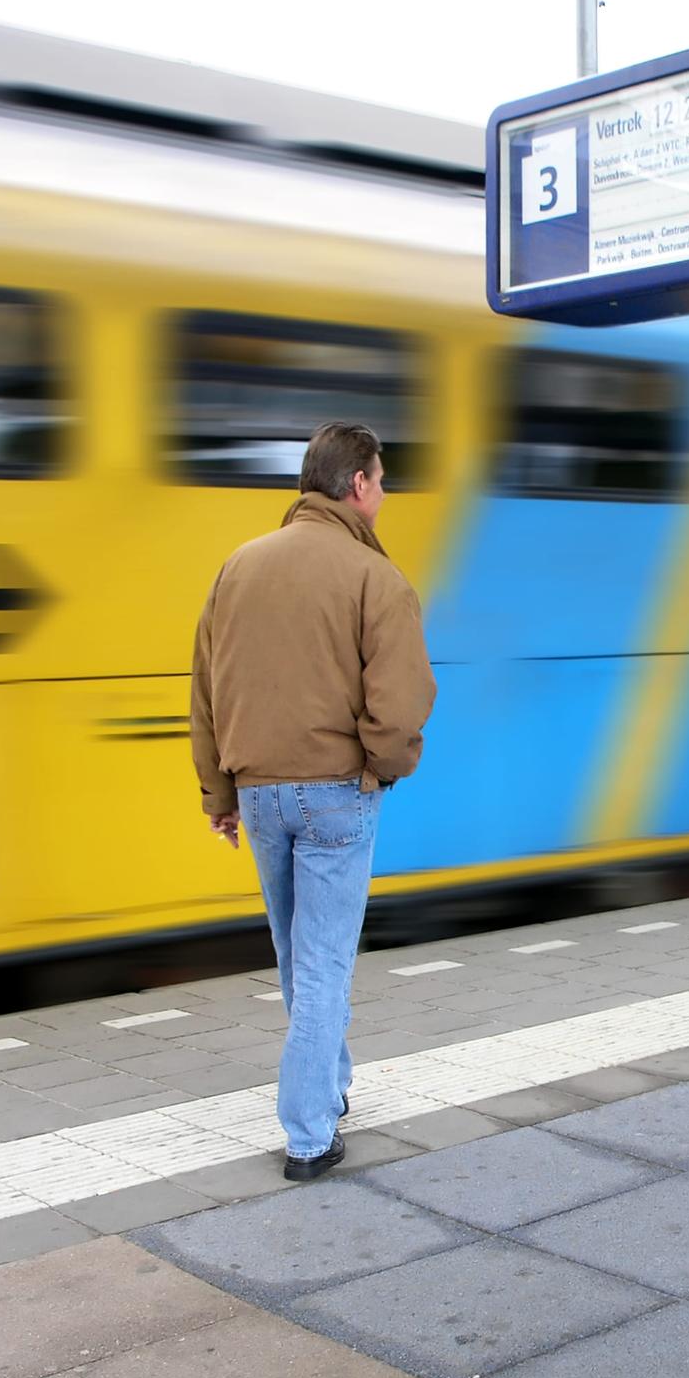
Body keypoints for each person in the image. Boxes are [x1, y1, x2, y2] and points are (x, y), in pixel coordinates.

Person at [190, 421, 435, 1180]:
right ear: (358, 485)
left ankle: (330, 1084)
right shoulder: (375, 577)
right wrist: (382, 769)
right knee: (324, 961)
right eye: (383, 481)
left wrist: (219, 793)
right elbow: (401, 700)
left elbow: (206, 690)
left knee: (298, 954)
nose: (384, 494)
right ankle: (307, 1135)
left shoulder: (237, 566)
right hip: (337, 792)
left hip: (259, 791)